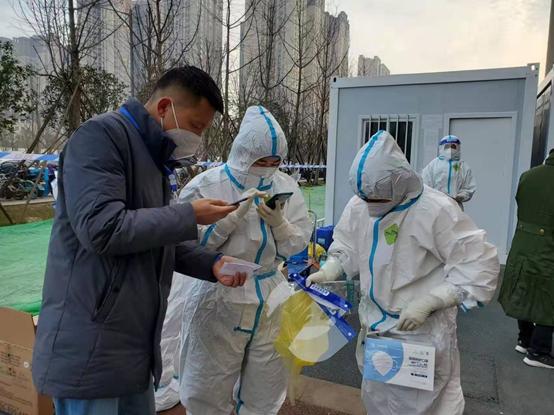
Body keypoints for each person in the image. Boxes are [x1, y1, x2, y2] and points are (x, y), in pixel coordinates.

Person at [32, 66, 248, 415]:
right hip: (91, 347)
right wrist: (188, 215)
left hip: (133, 350)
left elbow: (153, 236)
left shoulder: (153, 160)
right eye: (196, 126)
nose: (197, 138)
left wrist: (212, 263)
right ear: (164, 107)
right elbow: (102, 228)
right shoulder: (100, 138)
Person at [307, 131, 499, 415]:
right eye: (366, 197)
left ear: (400, 183)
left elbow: (479, 264)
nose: (372, 204)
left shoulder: (435, 209)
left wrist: (433, 300)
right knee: (377, 401)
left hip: (420, 332)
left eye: (378, 197)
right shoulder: (361, 204)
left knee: (419, 407)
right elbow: (347, 243)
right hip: (376, 329)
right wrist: (331, 269)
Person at [177, 106, 312, 415]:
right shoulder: (206, 186)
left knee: (266, 387)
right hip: (219, 293)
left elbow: (295, 245)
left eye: (274, 163)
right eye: (260, 162)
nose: (267, 169)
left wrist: (281, 225)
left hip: (271, 294)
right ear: (242, 154)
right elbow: (185, 247)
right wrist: (227, 220)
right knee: (206, 386)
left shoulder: (286, 186)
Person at [499, 148, 554, 369]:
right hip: (548, 246)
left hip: (523, 242)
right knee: (548, 298)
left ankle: (524, 339)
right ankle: (538, 351)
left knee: (524, 288)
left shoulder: (528, 176)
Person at [422, 135, 476, 209]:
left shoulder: (463, 166)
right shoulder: (433, 165)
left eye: (453, 146)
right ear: (441, 147)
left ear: (458, 147)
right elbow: (425, 185)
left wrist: (461, 196)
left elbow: (469, 187)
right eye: (447, 146)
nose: (450, 149)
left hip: (455, 206)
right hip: (436, 206)